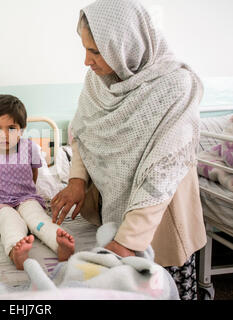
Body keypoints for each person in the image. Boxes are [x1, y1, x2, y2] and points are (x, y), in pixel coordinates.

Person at [51, 0, 206, 300]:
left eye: (95, 51)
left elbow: (161, 174)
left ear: (125, 45)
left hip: (160, 215)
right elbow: (84, 132)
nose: (86, 61)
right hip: (115, 210)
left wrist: (127, 240)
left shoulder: (176, 87)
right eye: (84, 49)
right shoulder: (97, 83)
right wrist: (77, 180)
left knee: (159, 284)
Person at [0, 94, 75, 270]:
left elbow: (33, 173)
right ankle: (15, 250)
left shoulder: (30, 148)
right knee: (9, 220)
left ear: (22, 128)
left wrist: (29, 196)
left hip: (25, 198)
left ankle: (59, 244)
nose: (4, 135)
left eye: (11, 128)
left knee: (37, 219)